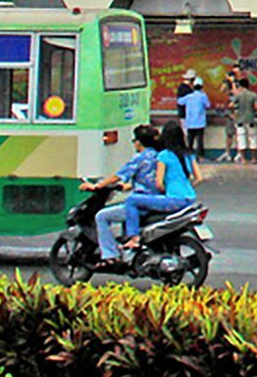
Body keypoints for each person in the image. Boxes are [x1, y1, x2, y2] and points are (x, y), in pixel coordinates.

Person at [84, 123, 161, 264]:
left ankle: (110, 254)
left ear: (138, 142)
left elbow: (118, 175)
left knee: (101, 216)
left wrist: (97, 186)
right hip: (156, 200)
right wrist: (125, 186)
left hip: (142, 203)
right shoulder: (158, 156)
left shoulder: (139, 158)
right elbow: (147, 180)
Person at [120, 122, 198, 253]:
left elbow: (158, 184)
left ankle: (134, 238)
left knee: (131, 200)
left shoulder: (164, 156)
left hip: (173, 200)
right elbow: (199, 178)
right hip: (189, 198)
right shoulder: (188, 154)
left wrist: (165, 189)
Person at [229, 76, 257, 164]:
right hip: (251, 119)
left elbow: (230, 105)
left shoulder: (238, 95)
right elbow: (256, 107)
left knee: (241, 138)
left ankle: (243, 159)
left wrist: (234, 113)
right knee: (252, 138)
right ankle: (254, 158)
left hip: (240, 120)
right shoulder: (253, 95)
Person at [179, 78, 211, 160]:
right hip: (200, 122)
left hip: (190, 122)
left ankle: (189, 156)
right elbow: (208, 105)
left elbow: (180, 101)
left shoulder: (189, 96)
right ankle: (200, 156)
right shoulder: (203, 96)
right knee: (199, 140)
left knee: (190, 140)